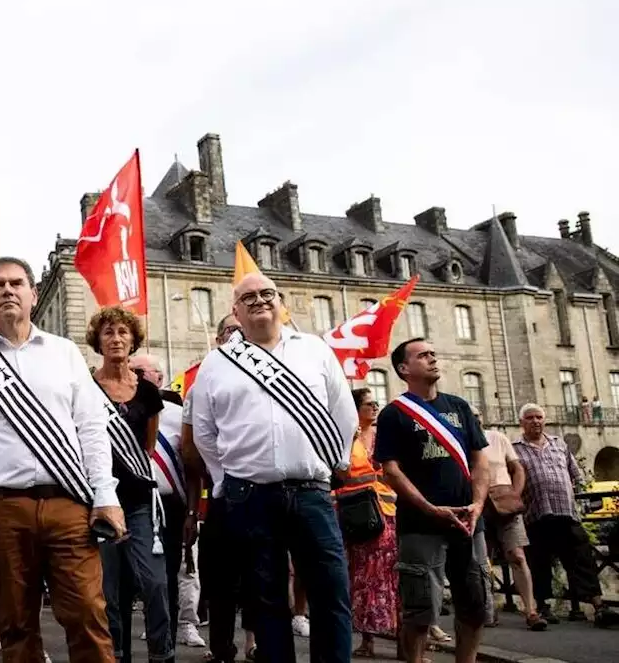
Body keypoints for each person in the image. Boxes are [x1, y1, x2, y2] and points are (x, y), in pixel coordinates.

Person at [0, 256, 124, 662]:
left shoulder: (64, 352)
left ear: (32, 294)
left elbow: (91, 427)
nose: (8, 290)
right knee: (15, 623)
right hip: (0, 507)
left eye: (17, 283)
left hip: (68, 503)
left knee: (87, 614)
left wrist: (106, 495)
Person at [190, 274, 357, 663]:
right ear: (235, 310)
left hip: (312, 489)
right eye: (248, 296)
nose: (259, 300)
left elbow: (343, 413)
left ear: (280, 302)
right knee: (265, 600)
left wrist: (335, 464)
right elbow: (204, 433)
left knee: (330, 593)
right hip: (249, 496)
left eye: (267, 293)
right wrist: (225, 478)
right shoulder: (217, 363)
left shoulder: (314, 349)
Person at [374, 338, 490, 663]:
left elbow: (480, 461)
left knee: (475, 605)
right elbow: (391, 471)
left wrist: (478, 504)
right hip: (420, 525)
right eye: (423, 355)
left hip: (468, 522)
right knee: (420, 611)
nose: (432, 358)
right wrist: (429, 508)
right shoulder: (394, 415)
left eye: (433, 353)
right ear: (403, 368)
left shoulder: (460, 407)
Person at [89, 307, 173, 663]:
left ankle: (161, 653)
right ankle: (115, 654)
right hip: (99, 502)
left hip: (138, 503)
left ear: (133, 339)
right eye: (108, 332)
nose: (116, 339)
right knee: (108, 591)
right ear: (98, 341)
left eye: (123, 332)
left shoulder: (148, 394)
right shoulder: (86, 387)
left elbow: (147, 448)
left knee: (154, 583)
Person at [185, 315, 255, 663]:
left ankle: (254, 643)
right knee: (222, 581)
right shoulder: (201, 387)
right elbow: (190, 447)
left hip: (264, 494)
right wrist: (220, 475)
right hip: (223, 496)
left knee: (261, 576)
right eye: (231, 330)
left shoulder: (271, 383)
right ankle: (222, 646)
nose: (238, 335)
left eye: (244, 329)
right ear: (217, 340)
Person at [513, 403, 619, 627]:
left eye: (539, 417)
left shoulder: (559, 444)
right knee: (539, 562)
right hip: (536, 514)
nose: (535, 421)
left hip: (566, 512)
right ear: (522, 422)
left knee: (582, 559)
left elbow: (576, 475)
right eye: (530, 418)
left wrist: (581, 497)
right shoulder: (515, 449)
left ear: (545, 420)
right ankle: (542, 607)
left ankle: (599, 606)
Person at [130, 352, 203, 649]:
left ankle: (166, 644)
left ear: (158, 378)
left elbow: (191, 468)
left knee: (167, 579)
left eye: (139, 371)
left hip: (169, 507)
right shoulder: (115, 413)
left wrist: (191, 513)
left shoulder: (177, 415)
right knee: (125, 581)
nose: (131, 375)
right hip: (130, 503)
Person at [333, 389, 400, 657]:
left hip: (391, 513)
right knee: (363, 577)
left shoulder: (386, 435)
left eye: (376, 403)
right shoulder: (347, 436)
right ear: (355, 408)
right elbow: (342, 472)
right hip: (361, 518)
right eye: (368, 404)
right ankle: (367, 640)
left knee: (393, 577)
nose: (374, 407)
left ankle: (401, 640)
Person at [479, 416, 545, 630]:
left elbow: (517, 468)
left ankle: (531, 610)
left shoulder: (497, 438)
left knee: (517, 555)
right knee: (482, 560)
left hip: (504, 500)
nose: (476, 420)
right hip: (478, 503)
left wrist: (515, 493)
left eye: (478, 416)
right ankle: (488, 609)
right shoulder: (460, 440)